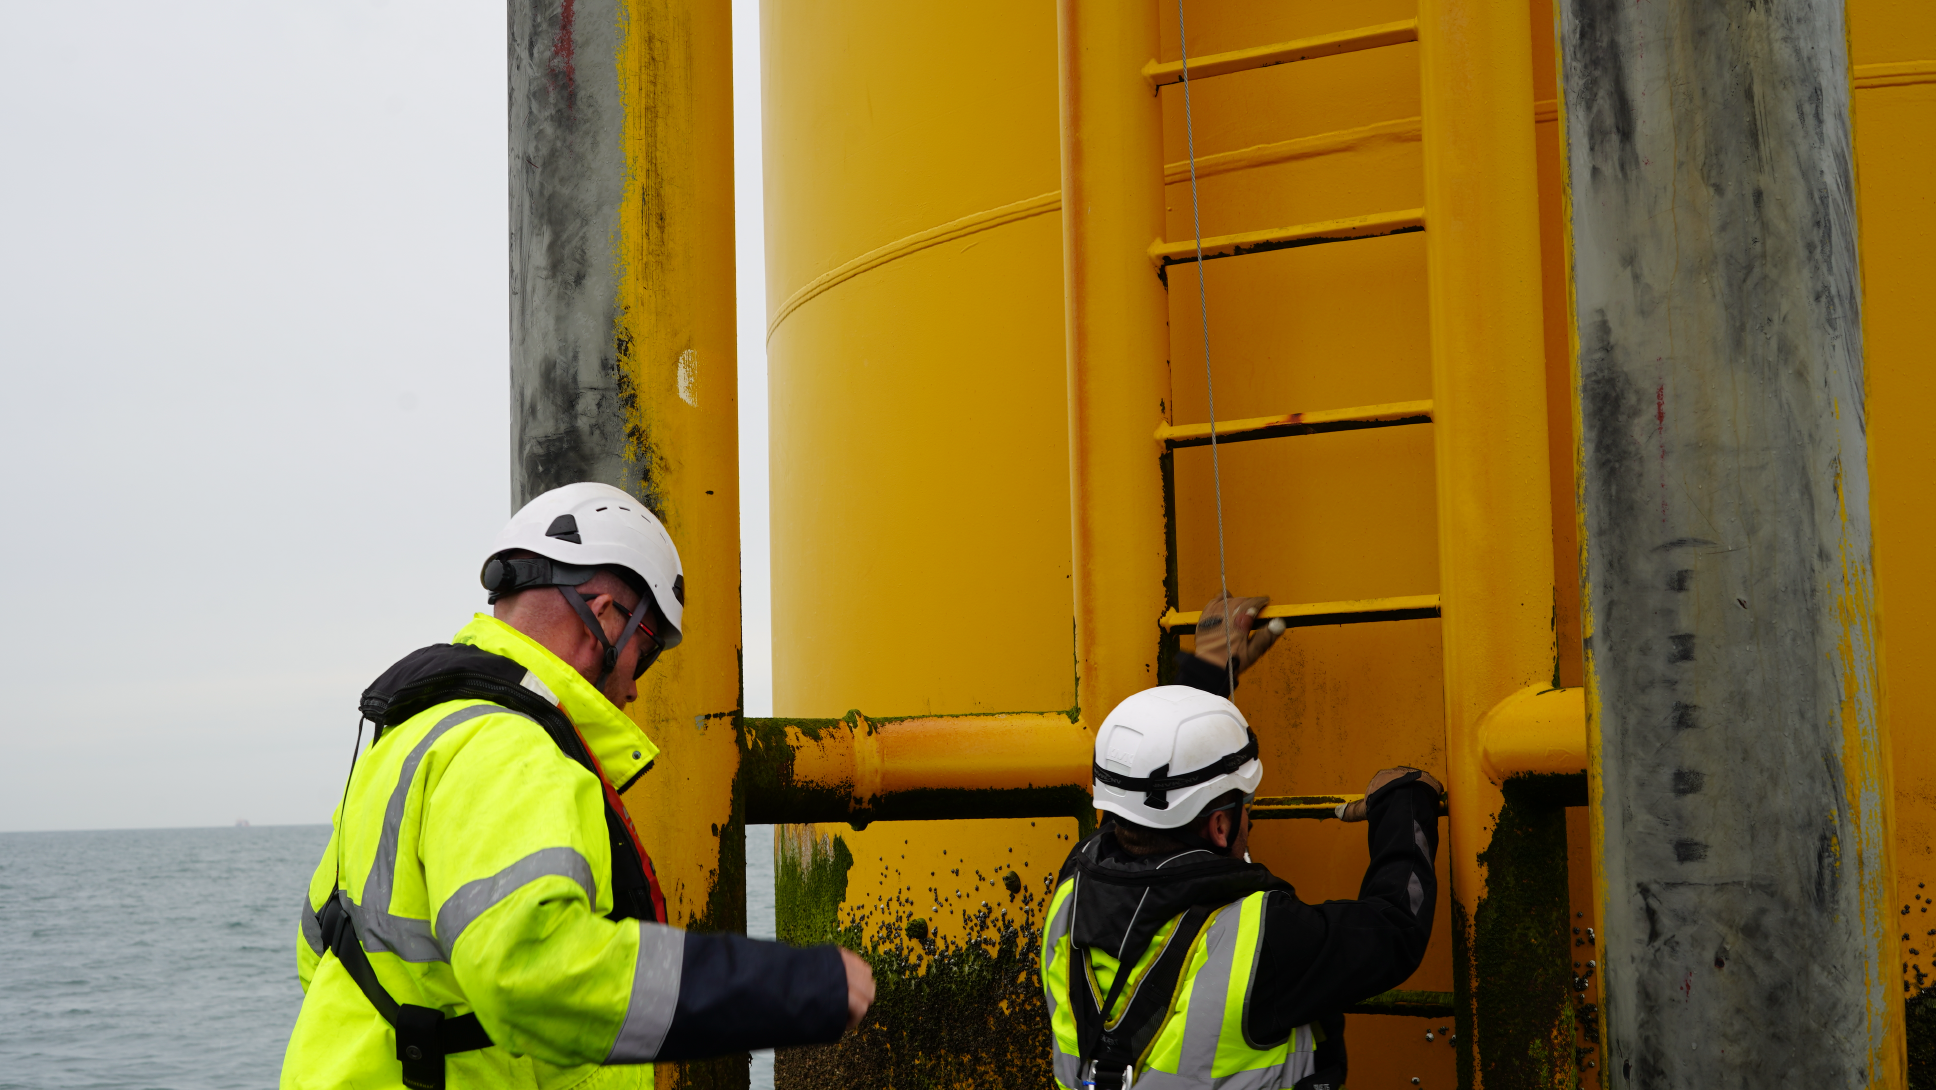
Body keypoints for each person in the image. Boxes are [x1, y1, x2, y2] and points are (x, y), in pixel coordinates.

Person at [283, 482, 874, 1090]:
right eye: (642, 656)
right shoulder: (511, 751)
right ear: (604, 615)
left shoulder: (412, 736)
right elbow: (534, 971)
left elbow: (318, 947)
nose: (637, 689)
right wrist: (798, 990)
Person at [1040, 593, 1443, 1090]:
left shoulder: (1071, 892)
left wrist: (1205, 683)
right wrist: (1405, 801)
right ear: (1221, 826)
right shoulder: (1263, 939)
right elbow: (1395, 930)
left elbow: (1141, 799)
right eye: (1245, 805)